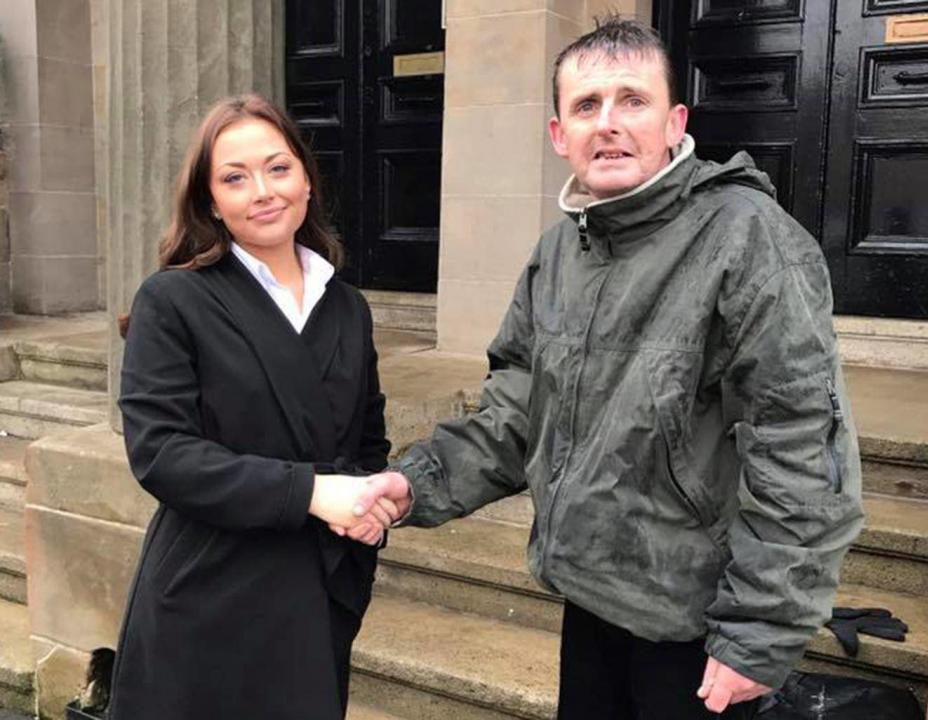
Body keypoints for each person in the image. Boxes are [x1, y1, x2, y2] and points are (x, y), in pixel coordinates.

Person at [344, 16, 864, 719]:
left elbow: (803, 447)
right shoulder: (559, 254)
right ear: (559, 134)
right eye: (587, 106)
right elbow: (516, 413)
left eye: (633, 100)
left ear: (675, 120)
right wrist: (414, 483)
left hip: (697, 626)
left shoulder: (748, 239)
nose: (609, 123)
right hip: (591, 602)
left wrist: (761, 634)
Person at [109, 94, 395, 720]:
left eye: (278, 168)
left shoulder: (348, 307)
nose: (262, 191)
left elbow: (367, 440)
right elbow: (162, 454)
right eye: (235, 178)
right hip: (210, 592)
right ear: (211, 201)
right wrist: (313, 493)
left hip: (318, 587)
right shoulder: (173, 300)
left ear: (307, 181)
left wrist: (372, 506)